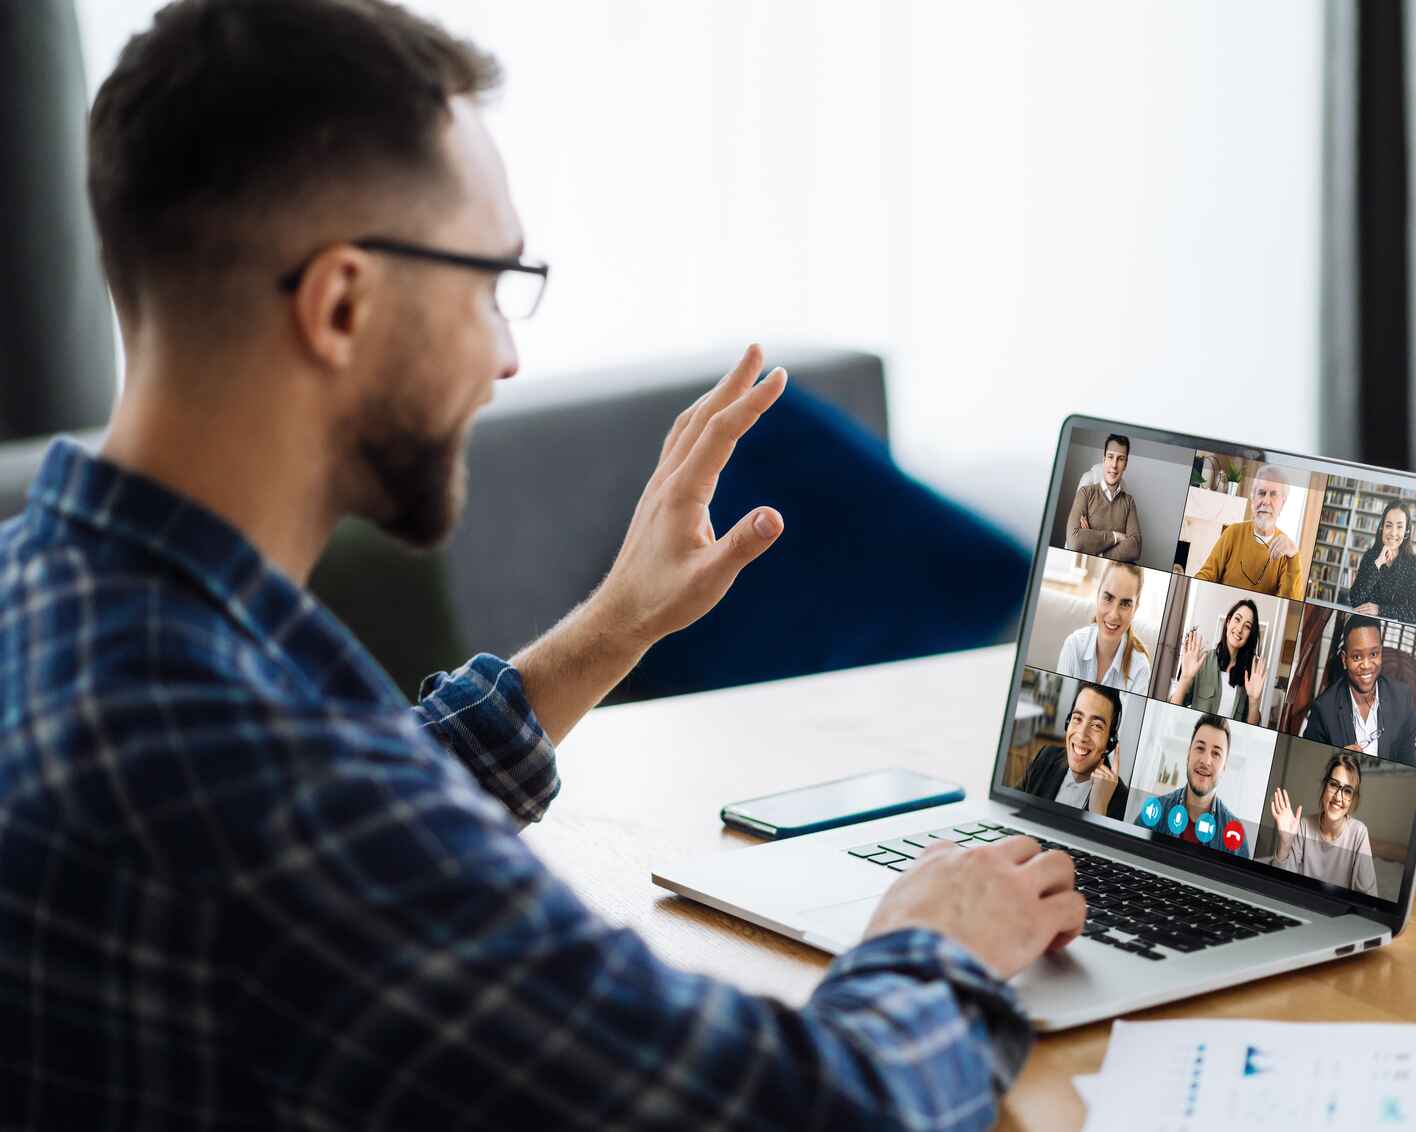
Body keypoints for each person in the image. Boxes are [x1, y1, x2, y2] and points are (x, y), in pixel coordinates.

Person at [0, 2, 1085, 1127]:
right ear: (341, 304)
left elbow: (353, 809)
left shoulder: (51, 589)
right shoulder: (262, 783)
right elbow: (808, 1110)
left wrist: (618, 622)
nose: (507, 357)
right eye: (488, 284)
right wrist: (936, 941)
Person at [1301, 614, 1416, 765]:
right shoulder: (1323, 710)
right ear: (1344, 660)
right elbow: (1309, 763)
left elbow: (1408, 761)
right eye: (1356, 657)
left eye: (1373, 654)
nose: (1367, 665)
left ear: (1381, 653)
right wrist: (1337, 759)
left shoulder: (1402, 697)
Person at [1136, 713, 1251, 857]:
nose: (1206, 761)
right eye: (1200, 748)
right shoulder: (1155, 811)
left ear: (1224, 767)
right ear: (1188, 755)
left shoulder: (1235, 833)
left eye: (1216, 753)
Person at [1269, 754, 1379, 897]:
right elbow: (1279, 885)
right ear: (1324, 786)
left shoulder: (1359, 833)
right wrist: (1285, 842)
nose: (1338, 797)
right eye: (1333, 785)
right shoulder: (1304, 826)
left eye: (1347, 791)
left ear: (1353, 799)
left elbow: (1369, 897)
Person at [1019, 683, 1131, 819]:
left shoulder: (1122, 799)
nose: (1082, 735)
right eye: (1077, 718)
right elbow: (1012, 806)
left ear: (1110, 741)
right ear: (1068, 722)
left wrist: (1098, 809)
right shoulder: (1046, 755)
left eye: (1096, 726)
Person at [1193, 464, 1304, 598]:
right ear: (1253, 498)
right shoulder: (1233, 532)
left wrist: (1293, 557)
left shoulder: (1287, 552)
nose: (1265, 501)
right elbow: (1206, 576)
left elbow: (1288, 603)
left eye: (1273, 495)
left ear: (1283, 503)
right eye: (1261, 493)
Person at [1056, 561, 1152, 694]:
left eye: (1125, 604)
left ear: (1136, 608)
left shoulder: (1140, 668)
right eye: (1108, 598)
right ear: (1097, 596)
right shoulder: (1073, 645)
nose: (1113, 615)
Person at [1167, 597, 1266, 725]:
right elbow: (1172, 713)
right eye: (1237, 619)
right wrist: (1185, 678)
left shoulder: (1250, 676)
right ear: (1228, 622)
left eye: (1247, 626)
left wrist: (1254, 702)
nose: (1240, 629)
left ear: (1250, 635)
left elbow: (1251, 730)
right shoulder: (1203, 661)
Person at [1064, 434, 1141, 562]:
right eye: (1110, 457)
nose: (1114, 465)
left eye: (1120, 459)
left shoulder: (1129, 501)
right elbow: (1075, 541)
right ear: (1104, 459)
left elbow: (1135, 548)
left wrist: (1092, 543)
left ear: (1125, 465)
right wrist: (1116, 537)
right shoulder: (1085, 493)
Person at [1349, 501, 1416, 625]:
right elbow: (1355, 599)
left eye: (1400, 526)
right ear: (1382, 528)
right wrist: (1378, 563)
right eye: (1389, 525)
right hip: (1365, 624)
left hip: (1395, 631)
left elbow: (1413, 612)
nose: (1393, 532)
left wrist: (1380, 610)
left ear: (1406, 531)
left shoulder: (1413, 564)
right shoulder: (1370, 557)